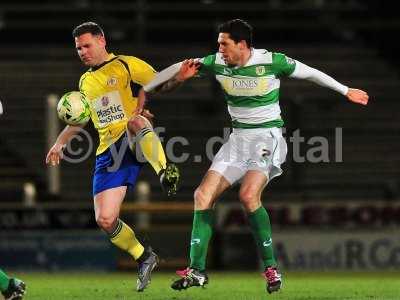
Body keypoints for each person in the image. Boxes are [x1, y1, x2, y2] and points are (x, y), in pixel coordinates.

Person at [144, 19, 369, 293]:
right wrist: (158, 86)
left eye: (224, 43)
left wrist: (346, 90)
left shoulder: (272, 62)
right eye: (218, 44)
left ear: (242, 44)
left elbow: (310, 73)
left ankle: (271, 268)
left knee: (248, 196)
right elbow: (171, 72)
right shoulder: (215, 63)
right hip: (237, 140)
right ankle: (197, 271)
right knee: (202, 195)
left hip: (267, 138)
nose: (219, 49)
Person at [45, 22, 179, 292]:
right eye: (78, 48)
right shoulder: (85, 81)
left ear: (102, 41)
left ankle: (166, 171)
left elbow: (160, 82)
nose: (82, 52)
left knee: (136, 122)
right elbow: (80, 120)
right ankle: (144, 257)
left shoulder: (126, 65)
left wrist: (180, 76)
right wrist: (59, 144)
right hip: (109, 153)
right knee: (105, 219)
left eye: (87, 45)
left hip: (133, 140)